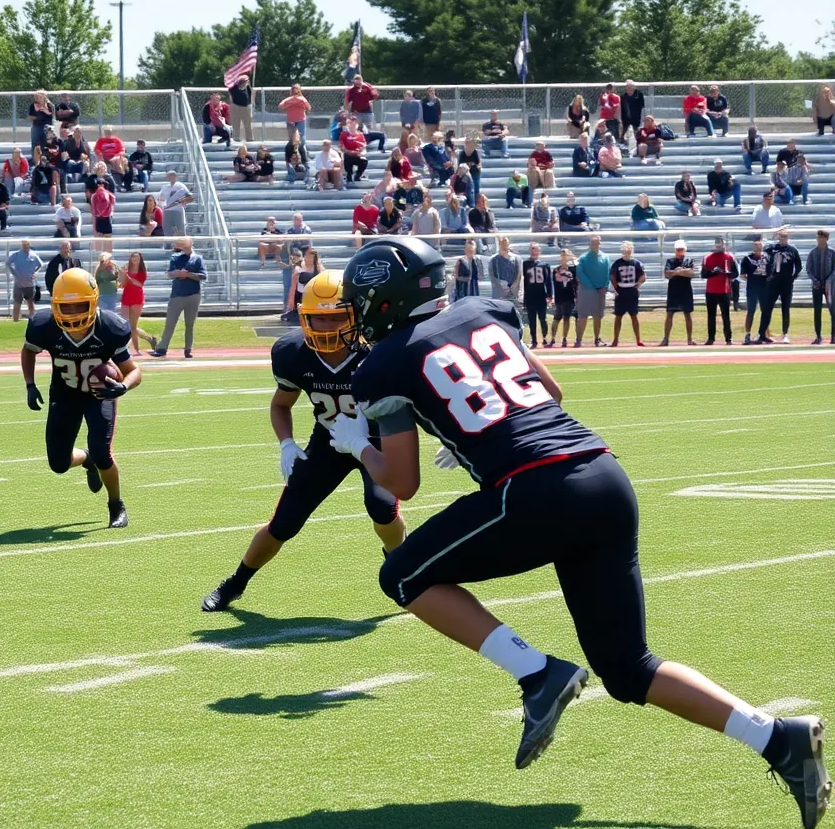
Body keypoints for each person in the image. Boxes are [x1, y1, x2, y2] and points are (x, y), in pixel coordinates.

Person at [327, 237, 831, 829]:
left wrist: (358, 445)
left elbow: (401, 483)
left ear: (381, 302)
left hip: (536, 489)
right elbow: (552, 393)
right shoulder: (486, 311)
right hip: (604, 476)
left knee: (403, 574)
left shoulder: (381, 364)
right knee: (628, 669)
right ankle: (777, 737)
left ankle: (538, 672)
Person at [202, 271, 406, 612]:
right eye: (318, 319)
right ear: (302, 317)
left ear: (356, 315)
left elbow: (413, 401)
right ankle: (235, 583)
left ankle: (402, 569)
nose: (326, 328)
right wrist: (286, 442)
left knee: (382, 509)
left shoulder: (381, 351)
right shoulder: (293, 352)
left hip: (378, 441)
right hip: (329, 440)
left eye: (337, 318)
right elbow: (282, 404)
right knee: (284, 522)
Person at [22, 268, 139, 529]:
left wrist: (122, 387)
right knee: (58, 463)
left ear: (93, 301)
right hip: (64, 394)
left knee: (103, 452)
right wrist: (30, 384)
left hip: (100, 394)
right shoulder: (44, 325)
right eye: (66, 306)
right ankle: (87, 460)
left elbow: (134, 372)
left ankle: (116, 505)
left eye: (79, 306)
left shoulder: (110, 327)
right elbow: (29, 350)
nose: (72, 313)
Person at [149, 237, 205, 359]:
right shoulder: (176, 257)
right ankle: (162, 348)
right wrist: (179, 273)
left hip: (194, 294)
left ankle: (188, 349)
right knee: (170, 322)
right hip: (177, 295)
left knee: (190, 324)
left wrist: (189, 275)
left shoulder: (197, 258)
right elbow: (170, 273)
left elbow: (202, 275)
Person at [758, 229, 803, 344]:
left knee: (785, 308)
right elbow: (763, 252)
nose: (782, 239)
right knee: (767, 308)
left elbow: (798, 265)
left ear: (788, 238)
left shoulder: (792, 250)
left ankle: (785, 333)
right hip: (773, 282)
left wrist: (793, 276)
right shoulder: (772, 248)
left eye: (784, 237)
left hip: (786, 283)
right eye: (780, 237)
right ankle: (761, 333)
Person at [575, 235, 610, 347]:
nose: (596, 245)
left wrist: (605, 286)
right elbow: (580, 274)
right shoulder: (583, 258)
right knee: (583, 316)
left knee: (598, 316)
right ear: (590, 244)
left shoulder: (605, 257)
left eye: (598, 242)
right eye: (593, 243)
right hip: (586, 291)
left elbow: (608, 273)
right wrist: (591, 287)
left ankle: (597, 338)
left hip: (600, 291)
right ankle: (579, 339)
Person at [702, 237, 737, 345]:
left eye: (720, 244)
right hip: (711, 291)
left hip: (724, 290)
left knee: (726, 315)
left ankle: (728, 338)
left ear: (724, 245)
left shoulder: (729, 257)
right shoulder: (708, 257)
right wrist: (714, 272)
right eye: (717, 243)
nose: (719, 246)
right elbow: (704, 274)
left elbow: (735, 274)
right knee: (711, 315)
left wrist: (726, 273)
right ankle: (711, 338)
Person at [118, 252, 156, 354]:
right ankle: (125, 348)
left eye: (137, 258)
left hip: (137, 298)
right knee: (125, 324)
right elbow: (122, 284)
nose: (135, 259)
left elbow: (139, 284)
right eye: (133, 257)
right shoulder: (127, 269)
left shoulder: (142, 271)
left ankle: (137, 349)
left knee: (133, 326)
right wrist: (122, 275)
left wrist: (128, 277)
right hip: (126, 296)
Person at [662, 239, 697, 346]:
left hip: (686, 290)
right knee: (669, 314)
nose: (680, 252)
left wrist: (677, 272)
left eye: (681, 249)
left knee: (688, 315)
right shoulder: (670, 261)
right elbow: (667, 274)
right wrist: (682, 272)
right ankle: (666, 339)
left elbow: (691, 273)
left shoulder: (689, 261)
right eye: (678, 250)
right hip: (673, 291)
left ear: (685, 250)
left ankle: (689, 339)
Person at [522, 242, 554, 348]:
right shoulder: (525, 264)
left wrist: (550, 295)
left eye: (536, 249)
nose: (534, 251)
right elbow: (525, 282)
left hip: (541, 295)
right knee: (532, 319)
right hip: (531, 295)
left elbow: (548, 281)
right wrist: (525, 297)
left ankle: (544, 337)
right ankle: (534, 339)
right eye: (532, 249)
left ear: (539, 251)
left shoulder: (545, 265)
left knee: (543, 318)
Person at [807, 229, 835, 345]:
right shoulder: (813, 253)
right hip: (817, 285)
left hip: (830, 286)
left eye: (821, 238)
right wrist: (814, 280)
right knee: (817, 311)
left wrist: (829, 280)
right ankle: (818, 336)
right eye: (818, 237)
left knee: (832, 310)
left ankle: (833, 336)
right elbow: (808, 268)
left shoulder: (832, 253)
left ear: (826, 239)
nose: (819, 240)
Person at [741, 238, 769, 345]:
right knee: (751, 311)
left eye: (760, 247)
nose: (758, 248)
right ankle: (747, 335)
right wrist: (753, 277)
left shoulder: (766, 258)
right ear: (754, 247)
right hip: (752, 288)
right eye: (756, 246)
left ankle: (764, 335)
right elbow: (743, 275)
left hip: (764, 288)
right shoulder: (747, 258)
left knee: (765, 311)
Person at [549, 249, 578, 347]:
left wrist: (574, 260)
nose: (564, 258)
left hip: (569, 297)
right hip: (559, 297)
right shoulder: (556, 270)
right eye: (563, 256)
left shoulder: (573, 270)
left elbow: (576, 283)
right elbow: (555, 283)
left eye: (566, 255)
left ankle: (564, 338)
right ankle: (552, 338)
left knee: (567, 318)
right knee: (556, 318)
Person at [8, 240, 43, 322]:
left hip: (29, 283)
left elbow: (40, 264)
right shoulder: (16, 255)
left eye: (26, 245)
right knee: (17, 302)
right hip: (18, 283)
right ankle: (15, 320)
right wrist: (14, 273)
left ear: (29, 245)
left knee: (30, 302)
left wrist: (36, 272)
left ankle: (32, 320)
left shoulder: (33, 255)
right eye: (23, 245)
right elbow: (8, 263)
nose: (25, 246)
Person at [158, 171, 193, 238]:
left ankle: (182, 246)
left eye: (172, 175)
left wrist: (183, 202)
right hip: (166, 211)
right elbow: (160, 198)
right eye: (169, 176)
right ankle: (167, 247)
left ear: (175, 176)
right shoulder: (165, 187)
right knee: (167, 231)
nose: (170, 177)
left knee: (180, 230)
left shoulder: (180, 185)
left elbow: (190, 197)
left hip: (178, 210)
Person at [340, 119, 369, 184]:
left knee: (364, 161)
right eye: (350, 123)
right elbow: (342, 146)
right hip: (348, 154)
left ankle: (358, 176)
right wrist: (349, 152)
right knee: (347, 158)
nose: (352, 125)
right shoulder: (344, 134)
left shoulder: (360, 134)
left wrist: (361, 152)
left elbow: (364, 145)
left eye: (354, 124)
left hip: (357, 154)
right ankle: (349, 175)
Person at [229, 75, 254, 142]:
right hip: (237, 108)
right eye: (246, 81)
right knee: (236, 126)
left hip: (246, 108)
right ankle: (236, 139)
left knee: (248, 126)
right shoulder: (234, 89)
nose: (248, 82)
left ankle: (249, 139)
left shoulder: (247, 89)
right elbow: (230, 86)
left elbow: (250, 95)